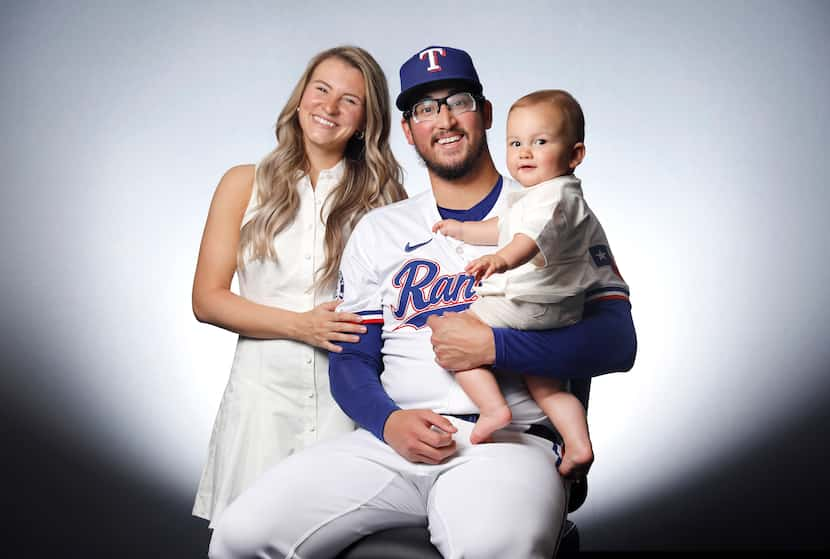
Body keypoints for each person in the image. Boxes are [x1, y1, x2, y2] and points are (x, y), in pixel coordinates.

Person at [208, 45, 636, 559]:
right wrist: (388, 422)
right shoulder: (380, 228)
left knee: (499, 548)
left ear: (487, 114)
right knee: (242, 534)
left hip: (509, 442)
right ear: (408, 130)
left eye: (458, 100)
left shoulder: (553, 210)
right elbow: (352, 359)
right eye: (425, 109)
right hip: (392, 442)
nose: (445, 119)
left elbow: (617, 341)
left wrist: (496, 349)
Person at [191, 45, 406, 528]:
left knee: (339, 538)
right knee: (247, 537)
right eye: (321, 90)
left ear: (367, 119)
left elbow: (402, 309)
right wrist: (301, 326)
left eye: (349, 100)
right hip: (262, 403)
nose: (329, 108)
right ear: (301, 96)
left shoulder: (387, 198)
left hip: (348, 401)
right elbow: (207, 300)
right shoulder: (243, 183)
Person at [431, 89, 621, 479]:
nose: (525, 153)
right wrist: (463, 230)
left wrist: (499, 260)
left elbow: (527, 240)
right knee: (547, 384)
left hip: (532, 302)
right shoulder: (537, 196)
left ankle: (492, 408)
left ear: (574, 155)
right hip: (555, 310)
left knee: (451, 333)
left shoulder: (555, 200)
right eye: (516, 143)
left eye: (540, 142)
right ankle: (578, 444)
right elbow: (501, 229)